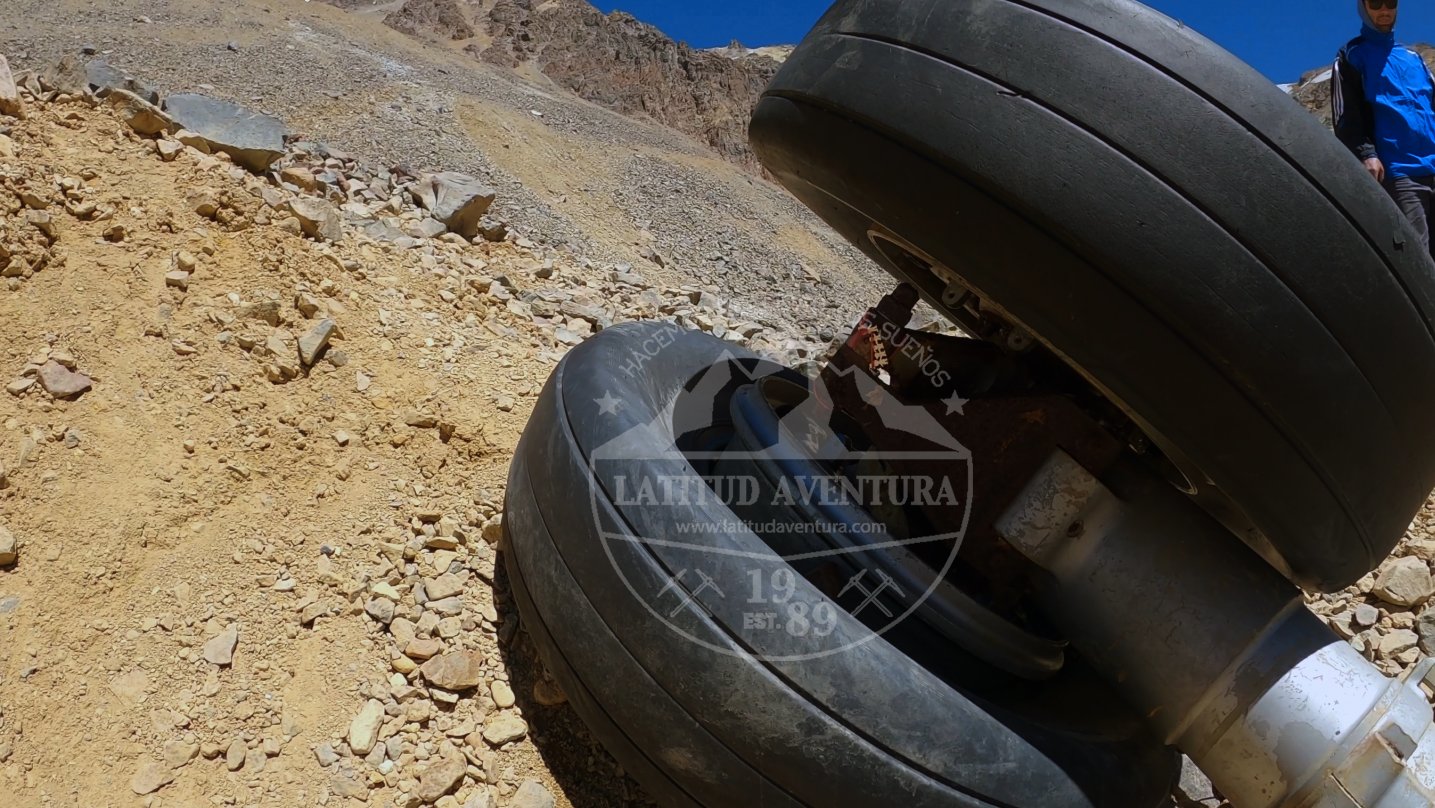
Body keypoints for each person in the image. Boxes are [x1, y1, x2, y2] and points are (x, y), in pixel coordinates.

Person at [1334, 0, 1435, 256]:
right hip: (1399, 173)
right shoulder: (1352, 54)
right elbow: (1346, 114)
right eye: (1375, 4)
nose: (1384, 10)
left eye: (1390, 3)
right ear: (1363, 8)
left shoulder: (1413, 58)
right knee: (1417, 258)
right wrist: (1366, 153)